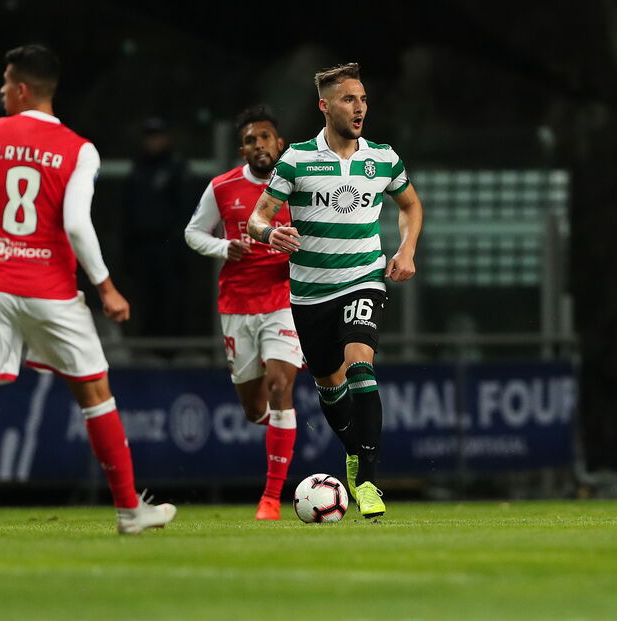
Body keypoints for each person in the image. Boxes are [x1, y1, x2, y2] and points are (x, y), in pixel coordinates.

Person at [0, 44, 175, 537]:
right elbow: (78, 225)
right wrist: (106, 288)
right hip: (51, 290)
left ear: (21, 88)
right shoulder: (80, 149)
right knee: (95, 395)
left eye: (3, 83)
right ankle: (129, 512)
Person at [247, 63, 424, 519]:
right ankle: (354, 452)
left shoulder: (382, 157)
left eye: (363, 98)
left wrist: (405, 250)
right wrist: (270, 235)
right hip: (309, 293)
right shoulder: (297, 159)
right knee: (328, 383)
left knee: (361, 363)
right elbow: (258, 217)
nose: (359, 106)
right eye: (349, 99)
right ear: (325, 106)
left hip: (363, 278)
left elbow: (409, 205)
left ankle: (367, 482)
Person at [184, 106, 302, 520]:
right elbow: (193, 232)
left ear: (279, 143)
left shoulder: (298, 185)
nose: (259, 145)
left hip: (284, 301)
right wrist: (223, 248)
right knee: (255, 410)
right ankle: (274, 421)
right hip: (236, 304)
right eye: (251, 140)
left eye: (265, 137)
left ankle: (270, 499)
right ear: (243, 149)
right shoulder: (222, 187)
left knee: (279, 387)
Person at [121, 117, 190, 337]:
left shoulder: (177, 167)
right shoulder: (137, 168)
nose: (153, 142)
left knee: (172, 299)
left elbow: (186, 208)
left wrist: (181, 244)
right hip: (142, 245)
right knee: (145, 299)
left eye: (157, 137)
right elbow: (129, 211)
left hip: (169, 245)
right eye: (149, 137)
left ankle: (173, 352)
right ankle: (148, 350)